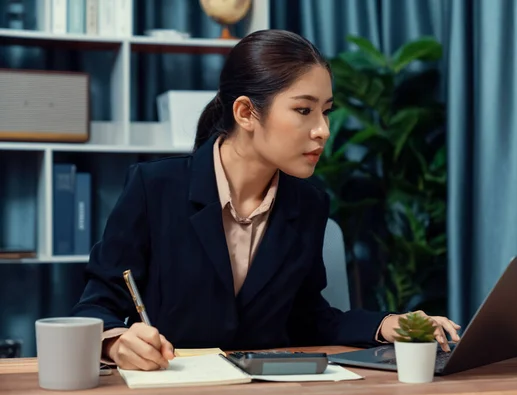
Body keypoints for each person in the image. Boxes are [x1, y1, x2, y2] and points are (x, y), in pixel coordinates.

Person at [71, 29, 461, 371]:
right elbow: (96, 306)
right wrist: (116, 342)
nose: (323, 130)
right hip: (175, 387)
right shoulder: (153, 189)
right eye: (304, 110)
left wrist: (387, 324)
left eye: (325, 112)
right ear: (245, 112)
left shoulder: (308, 205)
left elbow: (308, 319)